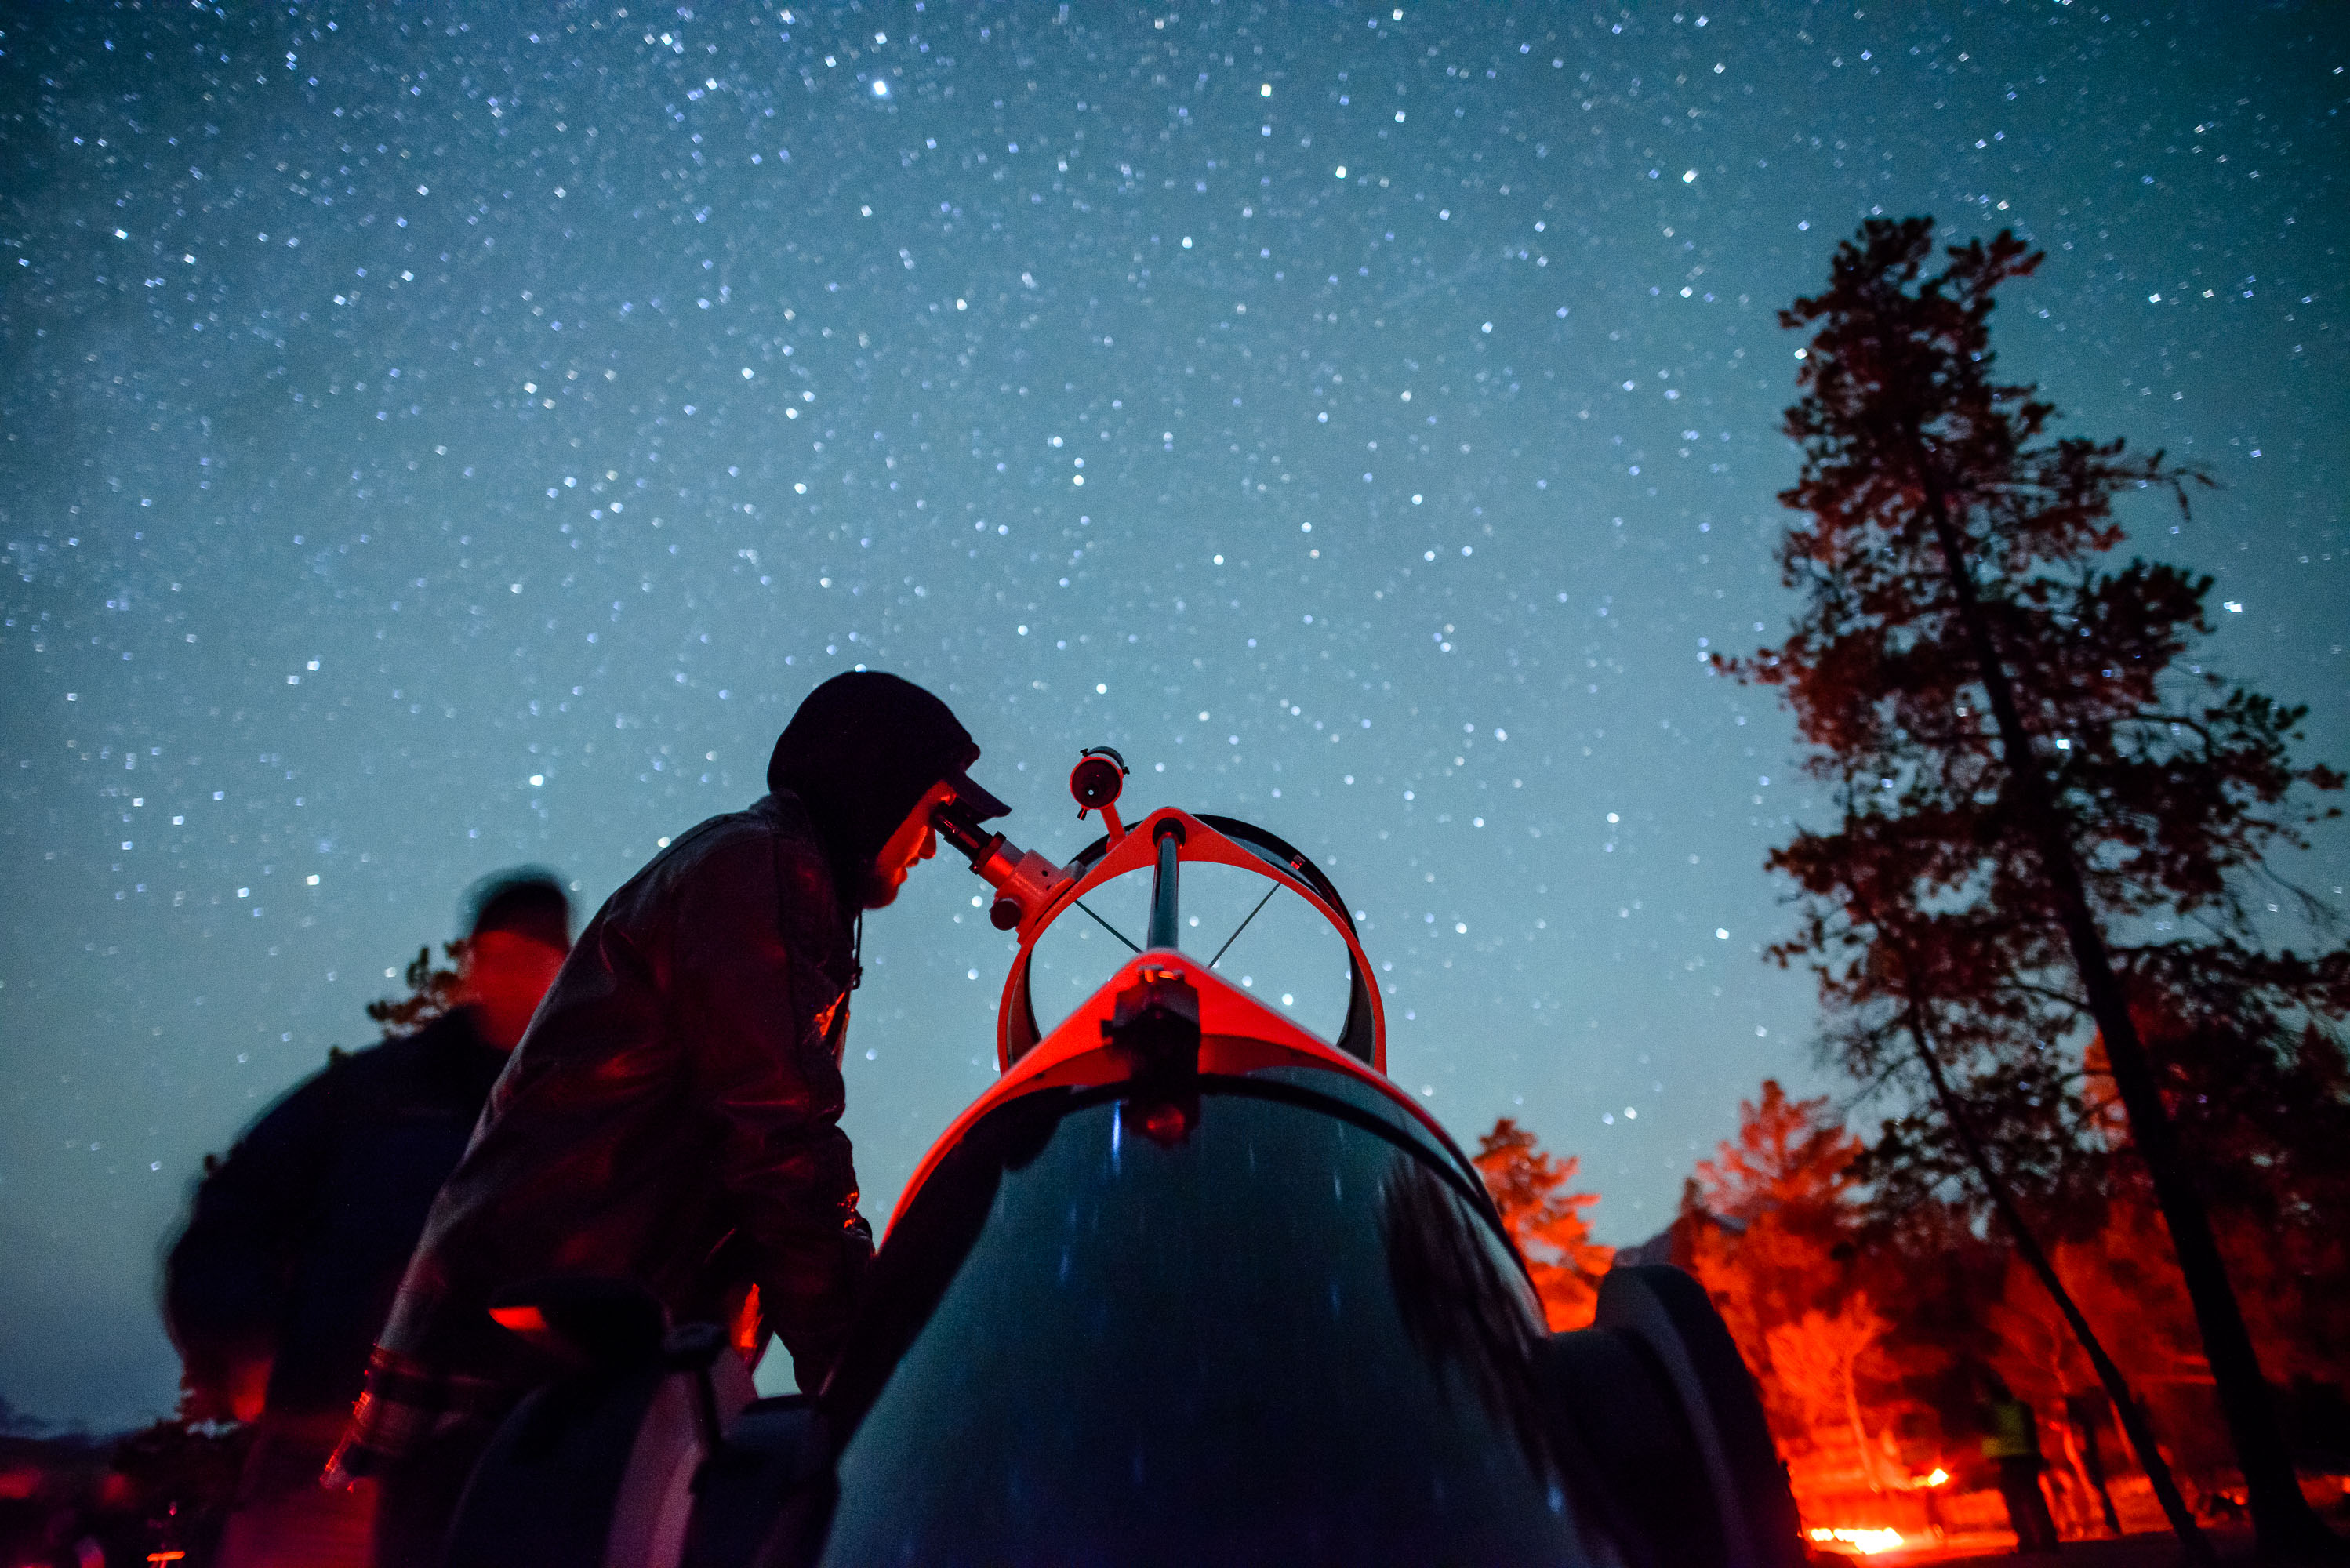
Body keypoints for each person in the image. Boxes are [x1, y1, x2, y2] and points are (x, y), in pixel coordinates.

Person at [329, 670, 997, 1567]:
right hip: (538, 1351)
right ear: (877, 783)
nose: (935, 844)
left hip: (567, 1343)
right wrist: (865, 1373)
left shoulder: (778, 877)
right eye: (937, 808)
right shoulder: (765, 869)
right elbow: (780, 1142)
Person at [162, 871, 572, 1568]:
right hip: (323, 1438)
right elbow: (238, 1206)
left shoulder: (575, 1111)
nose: (512, 976)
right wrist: (239, 1340)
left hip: (504, 1453)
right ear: (471, 964)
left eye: (536, 959)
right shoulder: (372, 1095)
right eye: (496, 955)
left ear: (562, 972)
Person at [1978, 1372, 2062, 1555]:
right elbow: (2031, 1434)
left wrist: (1991, 1459)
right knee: (2035, 1500)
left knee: (2015, 1503)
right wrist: (2038, 1456)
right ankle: (2048, 1540)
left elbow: (1989, 1434)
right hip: (2028, 1458)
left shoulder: (1990, 1410)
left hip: (2007, 1461)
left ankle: (2027, 1541)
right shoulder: (2021, 1406)